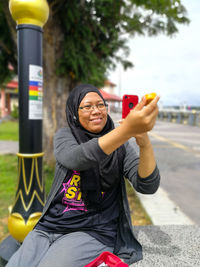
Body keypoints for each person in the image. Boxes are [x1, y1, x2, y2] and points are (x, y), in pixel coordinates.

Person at [6, 84, 160, 267]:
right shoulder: (65, 136)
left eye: (101, 105)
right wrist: (125, 131)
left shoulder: (121, 145)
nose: (96, 111)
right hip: (49, 227)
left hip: (92, 230)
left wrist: (144, 142)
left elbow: (147, 185)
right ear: (74, 113)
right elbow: (78, 158)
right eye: (87, 106)